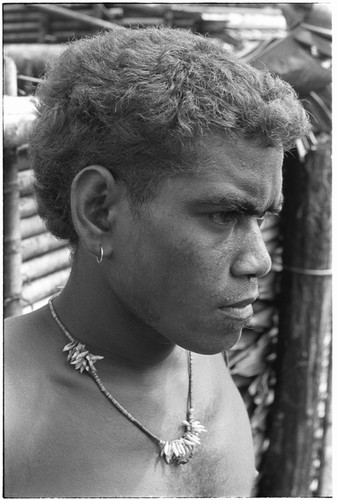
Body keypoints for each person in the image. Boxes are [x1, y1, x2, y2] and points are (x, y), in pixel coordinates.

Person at [4, 26, 310, 497]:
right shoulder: (11, 413)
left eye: (261, 219)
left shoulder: (199, 349)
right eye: (224, 215)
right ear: (99, 209)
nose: (258, 262)